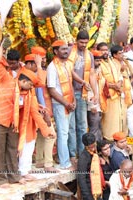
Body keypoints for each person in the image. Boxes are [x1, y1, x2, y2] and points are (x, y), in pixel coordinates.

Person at [0, 44, 53, 187]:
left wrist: (46, 130)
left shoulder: (28, 93)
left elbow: (34, 112)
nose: (32, 88)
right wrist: (0, 44)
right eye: (30, 85)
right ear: (23, 81)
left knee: (12, 150)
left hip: (13, 123)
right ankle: (1, 180)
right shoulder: (6, 79)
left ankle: (14, 177)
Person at [47, 40, 76, 170]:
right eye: (63, 49)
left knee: (69, 132)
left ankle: (68, 158)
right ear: (55, 51)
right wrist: (66, 104)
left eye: (66, 49)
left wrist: (73, 101)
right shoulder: (52, 67)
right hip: (60, 104)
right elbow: (52, 90)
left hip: (69, 103)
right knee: (63, 134)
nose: (66, 51)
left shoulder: (66, 65)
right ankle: (64, 163)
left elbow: (70, 85)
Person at [68, 30, 98, 157]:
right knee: (71, 127)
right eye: (81, 42)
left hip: (82, 93)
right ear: (76, 41)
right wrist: (81, 81)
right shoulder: (69, 51)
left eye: (86, 43)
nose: (84, 45)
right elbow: (68, 70)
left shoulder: (89, 55)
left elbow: (91, 75)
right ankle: (72, 154)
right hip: (69, 93)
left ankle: (82, 153)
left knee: (82, 125)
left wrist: (95, 93)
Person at [31, 46, 58, 172]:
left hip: (39, 109)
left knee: (41, 136)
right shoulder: (37, 73)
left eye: (44, 58)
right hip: (41, 110)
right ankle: (48, 164)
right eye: (41, 58)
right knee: (50, 135)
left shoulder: (35, 71)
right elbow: (40, 93)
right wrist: (45, 113)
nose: (43, 60)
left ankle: (40, 161)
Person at [97, 43, 124, 140]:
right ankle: (109, 139)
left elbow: (120, 74)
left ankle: (118, 138)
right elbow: (100, 80)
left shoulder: (112, 62)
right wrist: (113, 85)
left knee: (117, 119)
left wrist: (119, 83)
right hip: (107, 95)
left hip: (117, 95)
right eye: (102, 50)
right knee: (109, 120)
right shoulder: (98, 63)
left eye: (106, 50)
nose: (104, 52)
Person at [77, 133, 104, 200]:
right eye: (90, 147)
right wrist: (88, 196)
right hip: (90, 190)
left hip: (99, 188)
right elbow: (81, 178)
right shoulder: (83, 158)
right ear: (86, 146)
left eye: (94, 146)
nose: (93, 149)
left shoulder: (95, 152)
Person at [87, 50, 106, 141]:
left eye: (100, 61)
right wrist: (92, 105)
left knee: (99, 127)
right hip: (93, 105)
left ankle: (99, 148)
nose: (99, 63)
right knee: (94, 128)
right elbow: (88, 90)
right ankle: (92, 149)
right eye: (97, 61)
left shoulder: (98, 70)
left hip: (99, 104)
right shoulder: (88, 73)